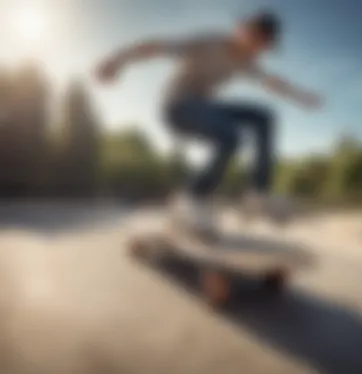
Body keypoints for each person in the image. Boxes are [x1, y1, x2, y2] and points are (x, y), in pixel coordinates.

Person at [95, 10, 322, 237]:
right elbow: (157, 47)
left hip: (206, 110)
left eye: (261, 47)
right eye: (254, 41)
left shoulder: (245, 63)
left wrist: (301, 96)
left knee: (264, 117)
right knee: (230, 136)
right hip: (177, 107)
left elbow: (272, 81)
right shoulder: (208, 42)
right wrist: (118, 59)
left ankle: (258, 194)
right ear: (242, 30)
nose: (255, 51)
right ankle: (193, 197)